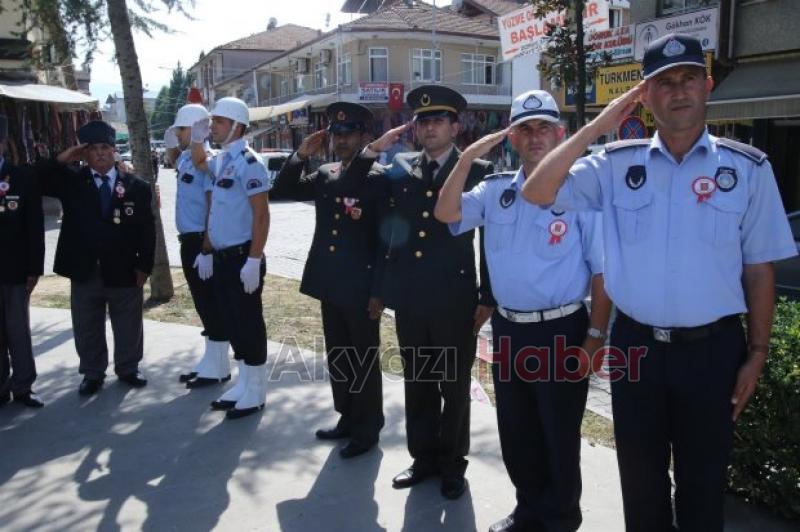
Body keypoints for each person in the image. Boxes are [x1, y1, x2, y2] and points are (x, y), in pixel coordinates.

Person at [520, 33, 797, 532]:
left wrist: (756, 351)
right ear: (644, 97)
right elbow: (538, 191)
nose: (678, 91)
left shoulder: (748, 169)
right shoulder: (614, 164)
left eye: (688, 78)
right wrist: (599, 126)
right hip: (637, 348)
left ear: (707, 85)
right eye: (663, 82)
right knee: (641, 482)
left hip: (712, 352)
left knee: (704, 482)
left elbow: (759, 268)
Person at [435, 90, 611, 532]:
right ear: (512, 137)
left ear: (560, 133)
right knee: (517, 429)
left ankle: (561, 518)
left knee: (558, 432)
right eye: (525, 129)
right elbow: (445, 212)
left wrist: (595, 336)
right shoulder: (495, 191)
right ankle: (529, 509)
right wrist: (468, 155)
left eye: (544, 128)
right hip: (509, 330)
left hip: (563, 330)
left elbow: (602, 273)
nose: (535, 137)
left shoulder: (581, 194)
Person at [365, 85, 496, 500]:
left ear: (456, 126)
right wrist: (383, 289)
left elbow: (490, 240)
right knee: (418, 382)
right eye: (422, 121)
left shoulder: (479, 170)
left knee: (453, 385)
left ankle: (452, 464)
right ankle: (423, 459)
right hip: (411, 298)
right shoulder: (401, 169)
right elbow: (391, 236)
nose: (429, 127)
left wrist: (487, 296)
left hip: (455, 300)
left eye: (438, 119)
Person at [272, 103, 402, 458]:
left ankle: (368, 427)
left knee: (363, 359)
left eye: (348, 134)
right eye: (336, 134)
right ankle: (347, 416)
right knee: (339, 356)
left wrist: (380, 292)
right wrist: (299, 155)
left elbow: (386, 241)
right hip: (330, 282)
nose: (341, 140)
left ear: (364, 136)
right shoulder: (327, 172)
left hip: (361, 288)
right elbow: (282, 190)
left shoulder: (376, 178)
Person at [40, 120, 155, 396]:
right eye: (93, 149)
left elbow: (147, 230)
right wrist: (64, 157)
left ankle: (128, 368)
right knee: (87, 325)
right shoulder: (71, 181)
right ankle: (92, 373)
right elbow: (38, 177)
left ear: (114, 151)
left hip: (125, 269)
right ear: (85, 153)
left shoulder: (136, 186)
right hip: (85, 269)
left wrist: (144, 266)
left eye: (106, 147)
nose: (101, 153)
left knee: (128, 324)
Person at [190, 97, 271, 420]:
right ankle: (244, 382)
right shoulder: (224, 160)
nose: (214, 128)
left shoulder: (250, 162)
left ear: (237, 125)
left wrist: (253, 260)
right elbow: (198, 163)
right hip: (223, 258)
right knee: (234, 323)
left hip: (242, 259)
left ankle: (257, 390)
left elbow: (261, 216)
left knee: (249, 324)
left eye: (219, 123)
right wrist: (196, 139)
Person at [164, 104, 231, 388]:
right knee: (203, 304)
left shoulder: (209, 161)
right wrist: (173, 142)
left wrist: (206, 250)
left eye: (181, 129)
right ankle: (211, 360)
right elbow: (173, 157)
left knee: (211, 304)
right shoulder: (186, 161)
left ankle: (219, 366)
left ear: (194, 130)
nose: (177, 134)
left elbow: (212, 208)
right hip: (188, 242)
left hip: (202, 243)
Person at [0, 114, 45, 408]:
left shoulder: (22, 178)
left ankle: (23, 386)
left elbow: (35, 228)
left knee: (17, 330)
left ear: (3, 142)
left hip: (15, 270)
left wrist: (34, 269)